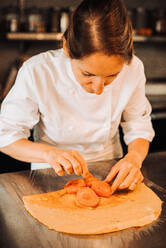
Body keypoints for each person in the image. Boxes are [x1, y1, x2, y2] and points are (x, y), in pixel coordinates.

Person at [0, 0, 154, 194]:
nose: (98, 89)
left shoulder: (133, 68)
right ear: (66, 47)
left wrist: (134, 158)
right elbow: (6, 137)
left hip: (110, 173)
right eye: (88, 75)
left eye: (111, 76)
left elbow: (138, 125)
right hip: (49, 175)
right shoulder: (37, 71)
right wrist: (49, 154)